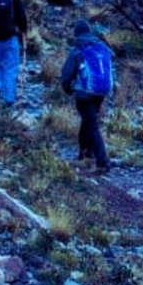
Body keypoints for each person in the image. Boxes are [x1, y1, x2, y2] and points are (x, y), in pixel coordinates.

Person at [60, 20, 113, 174]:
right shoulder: (102, 47)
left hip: (84, 94)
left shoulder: (77, 50)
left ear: (76, 34)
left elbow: (66, 75)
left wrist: (68, 89)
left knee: (91, 125)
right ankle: (85, 153)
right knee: (88, 121)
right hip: (101, 92)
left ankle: (102, 161)